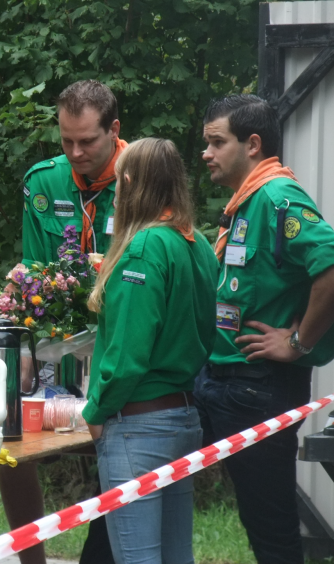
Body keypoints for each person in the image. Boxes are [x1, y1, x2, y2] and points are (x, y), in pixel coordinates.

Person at [194, 95, 334, 564]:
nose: (206, 153)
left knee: (269, 526)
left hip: (257, 388)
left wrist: (298, 342)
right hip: (217, 380)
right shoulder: (245, 202)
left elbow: (330, 265)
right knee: (146, 484)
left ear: (252, 144)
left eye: (216, 142)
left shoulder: (277, 197)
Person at [84, 137, 218, 563]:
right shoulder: (196, 242)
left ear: (126, 182)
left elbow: (127, 355)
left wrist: (95, 412)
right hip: (182, 416)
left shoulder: (143, 247)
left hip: (139, 426)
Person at [10, 80, 127, 564]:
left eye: (88, 141)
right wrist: (22, 342)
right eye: (66, 141)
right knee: (9, 440)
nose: (76, 152)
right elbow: (32, 272)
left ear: (114, 130)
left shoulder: (142, 175)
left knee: (119, 454)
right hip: (58, 343)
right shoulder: (43, 181)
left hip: (120, 342)